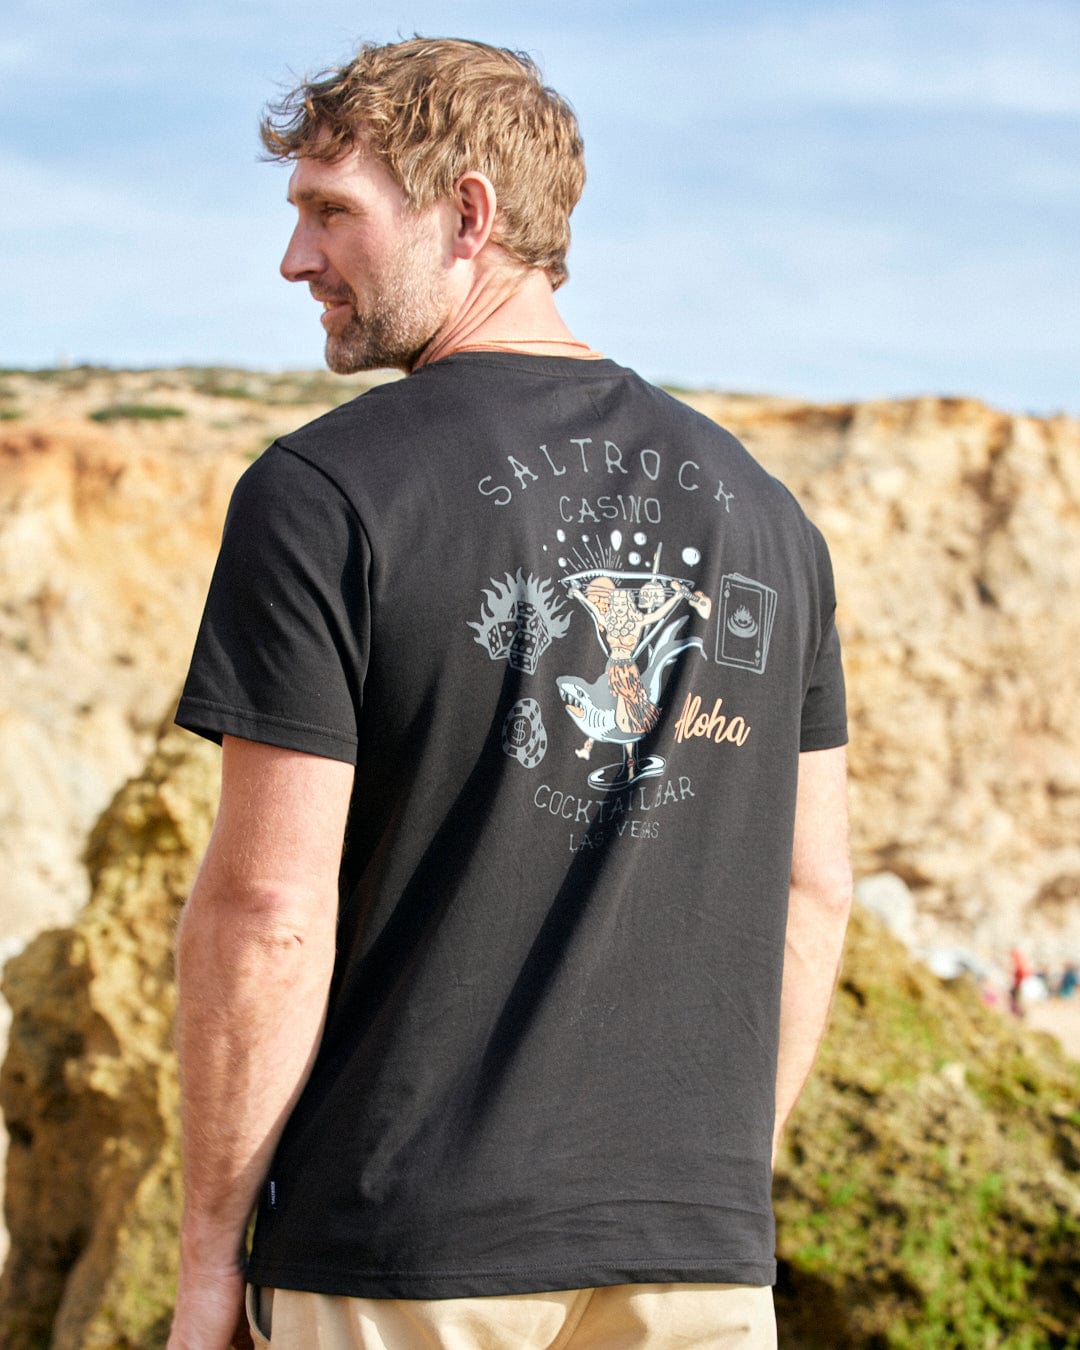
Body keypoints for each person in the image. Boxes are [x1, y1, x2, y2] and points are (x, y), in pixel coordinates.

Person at [168, 36, 852, 1350]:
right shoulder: (769, 519)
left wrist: (209, 1263)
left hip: (402, 1259)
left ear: (467, 212)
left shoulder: (323, 495)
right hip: (697, 1270)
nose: (295, 261)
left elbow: (266, 907)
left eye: (331, 212)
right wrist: (708, 1180)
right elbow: (812, 886)